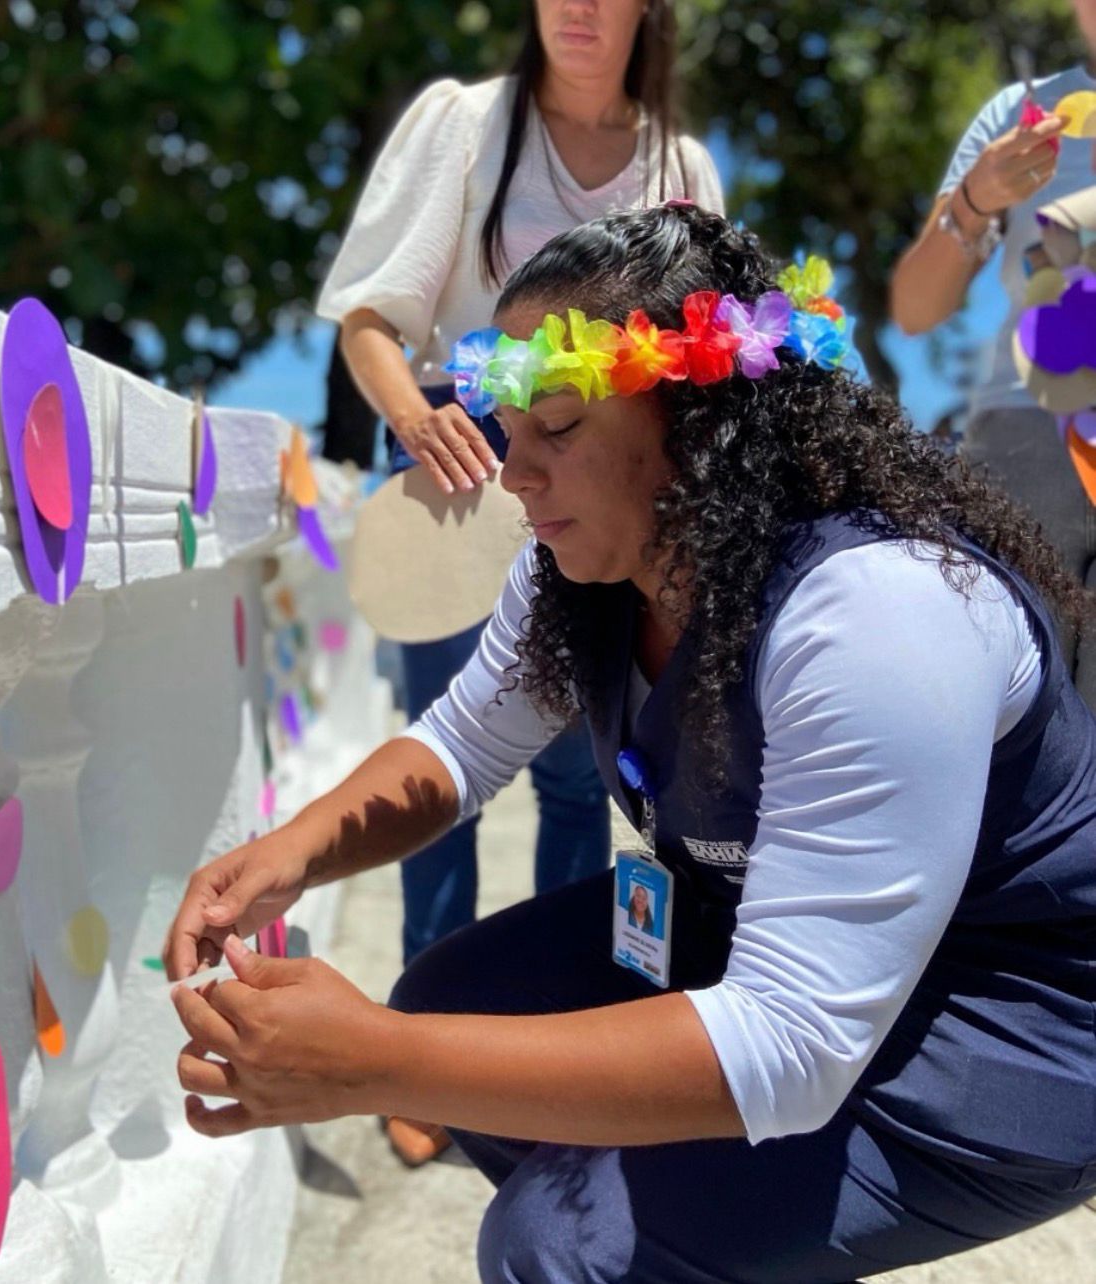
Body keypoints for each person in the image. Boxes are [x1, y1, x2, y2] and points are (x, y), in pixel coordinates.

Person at [167, 204, 1096, 1281]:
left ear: (704, 424)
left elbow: (789, 1045)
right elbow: (463, 744)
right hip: (759, 943)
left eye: (556, 427)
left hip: (997, 1026)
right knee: (454, 1011)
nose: (514, 473)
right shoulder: (589, 568)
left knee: (558, 1242)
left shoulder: (877, 610)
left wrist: (371, 1063)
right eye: (508, 428)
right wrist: (290, 854)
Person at [316, 0, 724, 1162]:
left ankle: (554, 1053)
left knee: (577, 785)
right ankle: (424, 1052)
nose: (580, 7)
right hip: (463, 481)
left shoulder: (679, 163)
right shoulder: (462, 123)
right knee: (451, 772)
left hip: (613, 498)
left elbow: (697, 366)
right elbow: (371, 319)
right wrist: (420, 423)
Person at [890, 0, 1096, 704]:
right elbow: (917, 309)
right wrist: (978, 199)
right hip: (1027, 431)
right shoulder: (1024, 112)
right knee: (1006, 715)